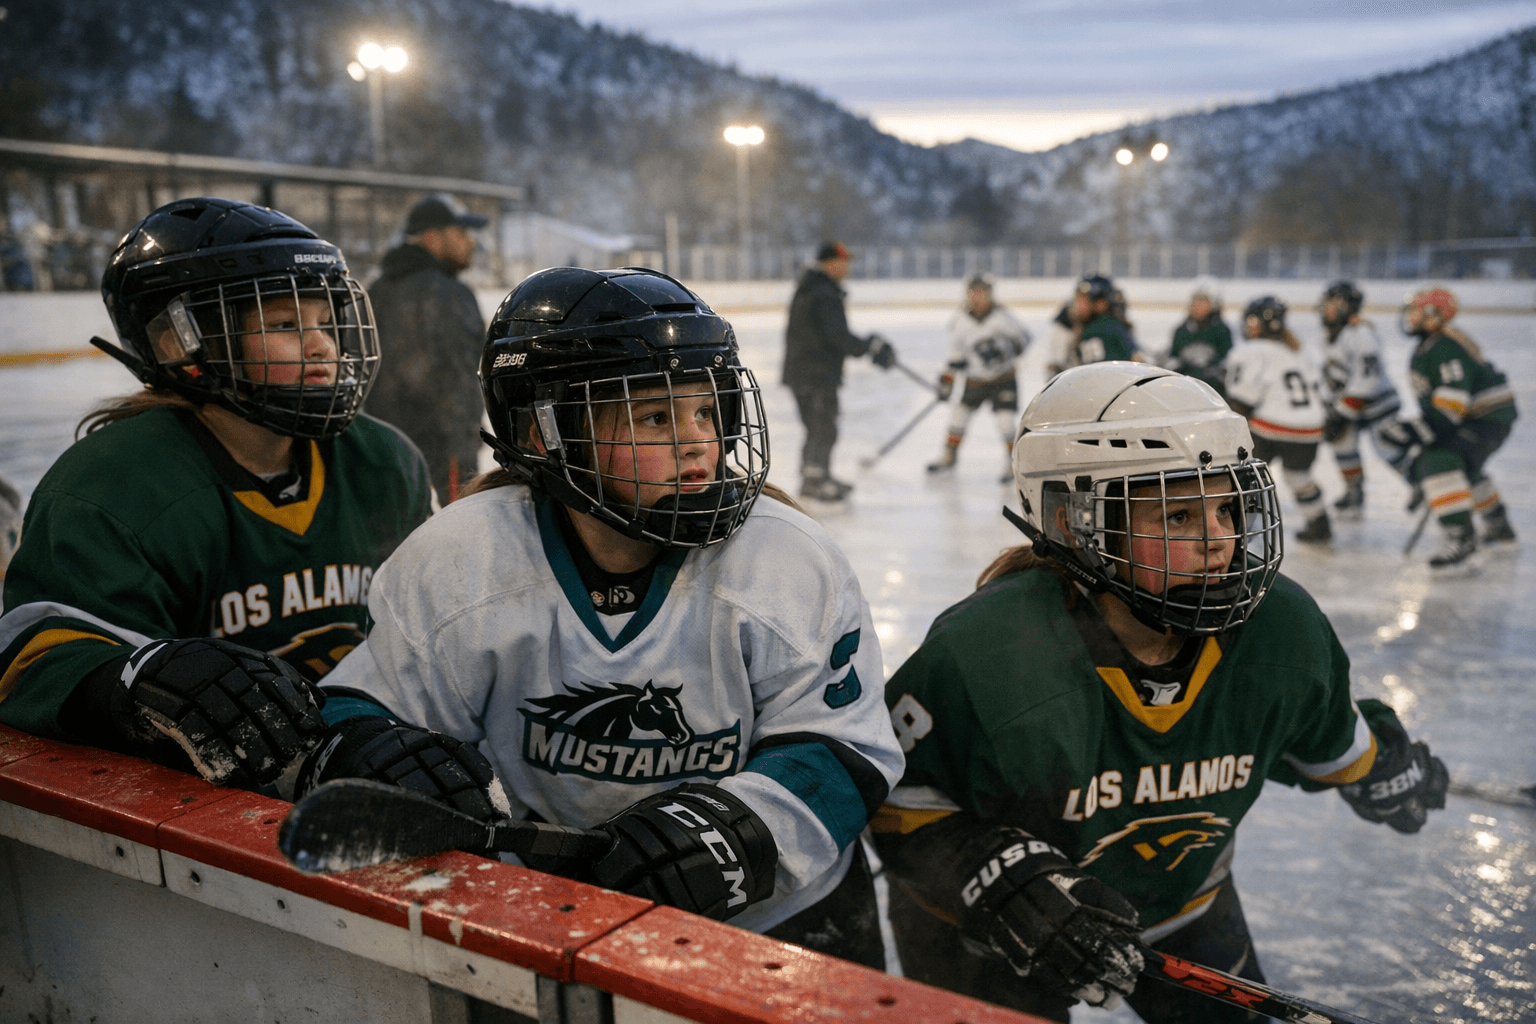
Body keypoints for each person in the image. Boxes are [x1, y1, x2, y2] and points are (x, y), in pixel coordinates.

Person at [299, 267, 904, 966]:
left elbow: (843, 748)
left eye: (707, 411)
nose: (697, 444)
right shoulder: (462, 558)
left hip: (779, 923)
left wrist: (731, 833)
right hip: (546, 919)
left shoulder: (787, 559)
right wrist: (378, 752)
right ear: (544, 430)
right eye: (654, 417)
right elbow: (360, 710)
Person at [871, 362, 1448, 1024]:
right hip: (991, 933)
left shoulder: (1280, 633)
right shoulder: (990, 653)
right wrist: (995, 874)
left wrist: (1386, 763)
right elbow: (890, 798)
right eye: (1177, 514)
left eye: (1227, 506)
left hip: (1184, 905)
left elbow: (1325, 740)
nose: (1221, 542)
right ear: (1069, 521)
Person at [0, 198, 433, 795]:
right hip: (205, 804)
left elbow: (437, 635)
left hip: (361, 760)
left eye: (325, 324)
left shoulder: (384, 461)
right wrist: (134, 681)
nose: (322, 348)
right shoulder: (111, 483)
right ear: (179, 342)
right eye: (284, 325)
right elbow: (35, 660)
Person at [365, 193, 489, 504]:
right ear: (433, 237)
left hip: (384, 453)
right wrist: (463, 453)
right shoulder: (452, 295)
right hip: (446, 457)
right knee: (456, 543)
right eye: (460, 233)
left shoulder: (375, 292)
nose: (470, 243)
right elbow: (462, 382)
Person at [1383, 287, 1517, 568]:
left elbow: (1449, 410)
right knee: (1461, 465)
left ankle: (1461, 537)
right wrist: (1421, 431)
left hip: (1486, 419)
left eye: (1418, 310)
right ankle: (1499, 526)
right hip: (1481, 418)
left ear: (1434, 315)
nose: (1411, 315)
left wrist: (1412, 432)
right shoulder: (1432, 346)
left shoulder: (1444, 348)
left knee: (1437, 461)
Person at [781, 241, 897, 501]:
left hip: (806, 372)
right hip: (815, 374)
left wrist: (867, 346)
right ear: (831, 263)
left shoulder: (813, 287)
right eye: (844, 262)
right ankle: (814, 481)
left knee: (818, 426)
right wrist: (869, 347)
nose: (847, 268)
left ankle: (817, 476)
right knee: (823, 427)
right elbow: (837, 337)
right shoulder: (824, 292)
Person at [1225, 296, 1331, 543]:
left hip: (1272, 426)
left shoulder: (1251, 350)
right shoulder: (1297, 350)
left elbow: (1241, 399)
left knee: (1248, 476)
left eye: (1252, 321)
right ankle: (1320, 522)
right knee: (1298, 476)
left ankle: (1241, 530)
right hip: (1311, 428)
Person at [927, 274, 1032, 483]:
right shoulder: (960, 321)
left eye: (982, 293)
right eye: (973, 293)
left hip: (1003, 379)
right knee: (959, 417)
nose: (978, 298)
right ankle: (949, 456)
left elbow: (1024, 339)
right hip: (974, 381)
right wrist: (947, 381)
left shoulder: (1002, 318)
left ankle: (1013, 462)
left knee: (1005, 423)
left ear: (990, 295)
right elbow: (955, 354)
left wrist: (1008, 350)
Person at [1315, 281, 1403, 519]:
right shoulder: (1332, 335)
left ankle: (1420, 486)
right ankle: (1354, 491)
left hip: (1377, 405)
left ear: (1346, 307)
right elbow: (1335, 376)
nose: (1325, 308)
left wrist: (1342, 412)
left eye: (1332, 304)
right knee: (1342, 445)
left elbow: (1368, 378)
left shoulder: (1361, 333)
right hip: (1351, 404)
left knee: (1390, 450)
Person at [1167, 276, 1232, 397]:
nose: (1197, 305)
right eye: (1195, 300)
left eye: (1203, 301)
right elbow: (1173, 360)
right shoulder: (1181, 331)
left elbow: (1227, 364)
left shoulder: (1222, 331)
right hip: (1185, 392)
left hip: (1213, 395)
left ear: (1214, 304)